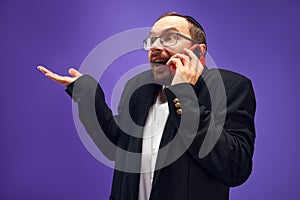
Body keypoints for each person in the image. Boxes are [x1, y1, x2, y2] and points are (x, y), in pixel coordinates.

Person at [37, 12, 256, 200]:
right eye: (152, 41)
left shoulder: (231, 88)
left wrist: (183, 93)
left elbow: (235, 168)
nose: (156, 47)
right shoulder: (138, 88)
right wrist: (85, 92)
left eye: (169, 38)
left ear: (198, 52)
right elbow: (117, 145)